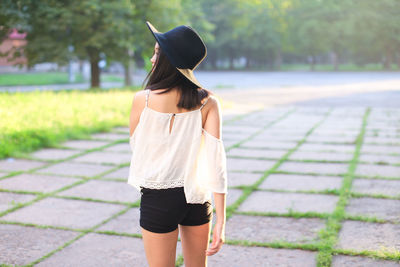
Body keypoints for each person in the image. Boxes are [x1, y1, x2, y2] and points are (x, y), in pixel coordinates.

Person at [127, 21, 228, 267]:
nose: (152, 59)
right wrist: (221, 221)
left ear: (167, 61)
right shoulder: (209, 102)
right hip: (197, 196)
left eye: (156, 53)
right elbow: (216, 164)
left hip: (158, 198)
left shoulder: (143, 100)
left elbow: (137, 148)